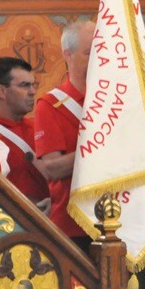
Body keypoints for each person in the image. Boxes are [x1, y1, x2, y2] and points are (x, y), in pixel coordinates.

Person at [33, 20, 94, 251]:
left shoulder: (115, 102)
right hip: (74, 229)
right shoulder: (50, 105)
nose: (99, 58)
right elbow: (52, 168)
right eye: (89, 52)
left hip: (119, 223)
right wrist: (100, 151)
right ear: (68, 55)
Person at [0, 57, 50, 210]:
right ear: (2, 91)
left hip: (49, 225)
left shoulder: (40, 128)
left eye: (33, 85)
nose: (33, 92)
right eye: (25, 86)